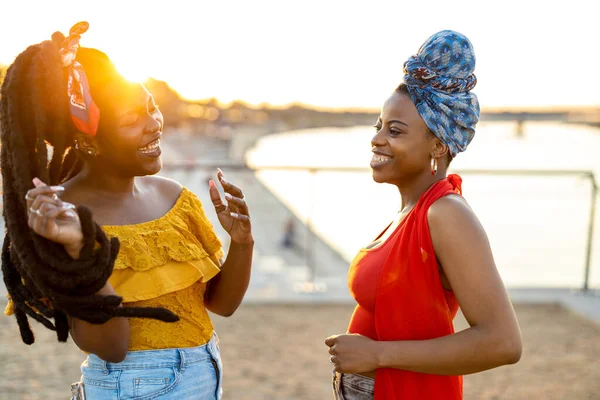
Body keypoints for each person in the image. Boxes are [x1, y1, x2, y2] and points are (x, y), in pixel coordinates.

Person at [1, 22, 254, 399]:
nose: (153, 125)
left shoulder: (175, 197)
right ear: (90, 141)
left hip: (206, 372)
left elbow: (220, 304)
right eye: (132, 120)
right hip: (130, 387)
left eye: (151, 109)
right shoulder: (63, 216)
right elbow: (111, 347)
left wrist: (242, 243)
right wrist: (79, 250)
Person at [325, 30, 522, 399]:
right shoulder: (411, 210)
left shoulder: (446, 213)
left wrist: (378, 354)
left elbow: (503, 342)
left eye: (395, 130)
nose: (378, 138)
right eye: (379, 125)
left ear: (437, 144)